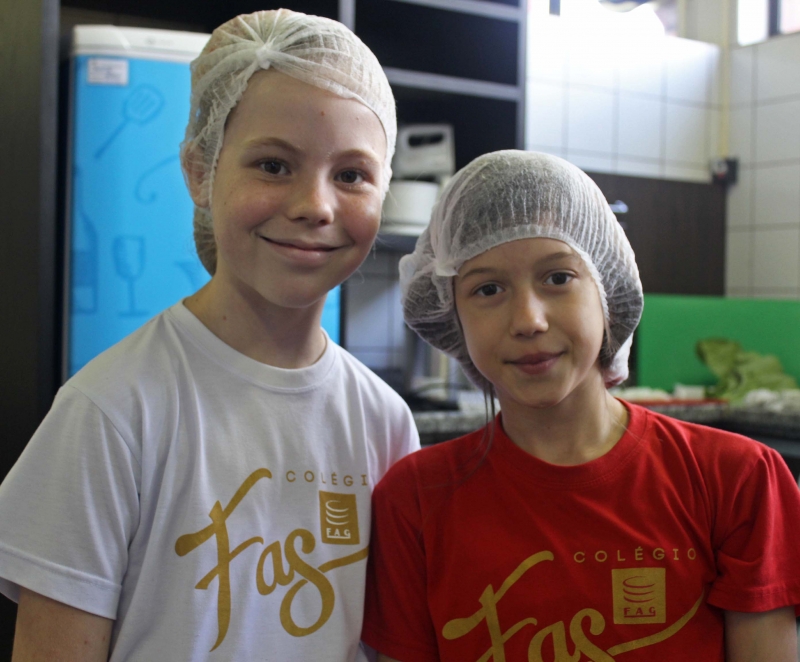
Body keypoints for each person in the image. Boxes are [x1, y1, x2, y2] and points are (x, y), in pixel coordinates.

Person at [0, 9, 418, 661]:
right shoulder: (111, 412)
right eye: (273, 165)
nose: (315, 205)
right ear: (199, 170)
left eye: (351, 175)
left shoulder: (384, 422)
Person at [362, 150, 800, 662]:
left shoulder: (738, 479)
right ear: (450, 313)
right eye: (487, 288)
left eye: (557, 278)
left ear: (607, 288)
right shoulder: (414, 501)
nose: (528, 320)